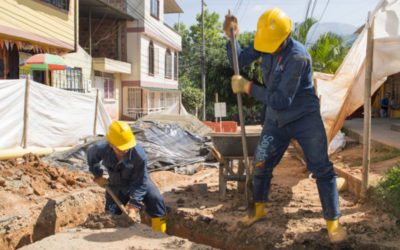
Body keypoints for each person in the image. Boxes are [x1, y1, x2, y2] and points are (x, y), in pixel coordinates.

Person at [223, 8, 346, 243]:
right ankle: (258, 211)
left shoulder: (298, 57)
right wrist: (232, 37)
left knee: (321, 169)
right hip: (275, 121)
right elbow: (236, 62)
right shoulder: (266, 42)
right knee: (260, 164)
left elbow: (282, 99)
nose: (267, 50)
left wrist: (248, 87)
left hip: (304, 119)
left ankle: (333, 223)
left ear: (285, 37)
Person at [87, 120, 167, 232]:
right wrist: (97, 176)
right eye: (120, 147)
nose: (125, 150)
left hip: (138, 179)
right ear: (111, 144)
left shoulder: (139, 155)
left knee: (156, 199)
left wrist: (134, 207)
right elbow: (91, 157)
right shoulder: (101, 149)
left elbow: (139, 183)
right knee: (111, 214)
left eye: (127, 146)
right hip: (117, 182)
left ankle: (160, 234)